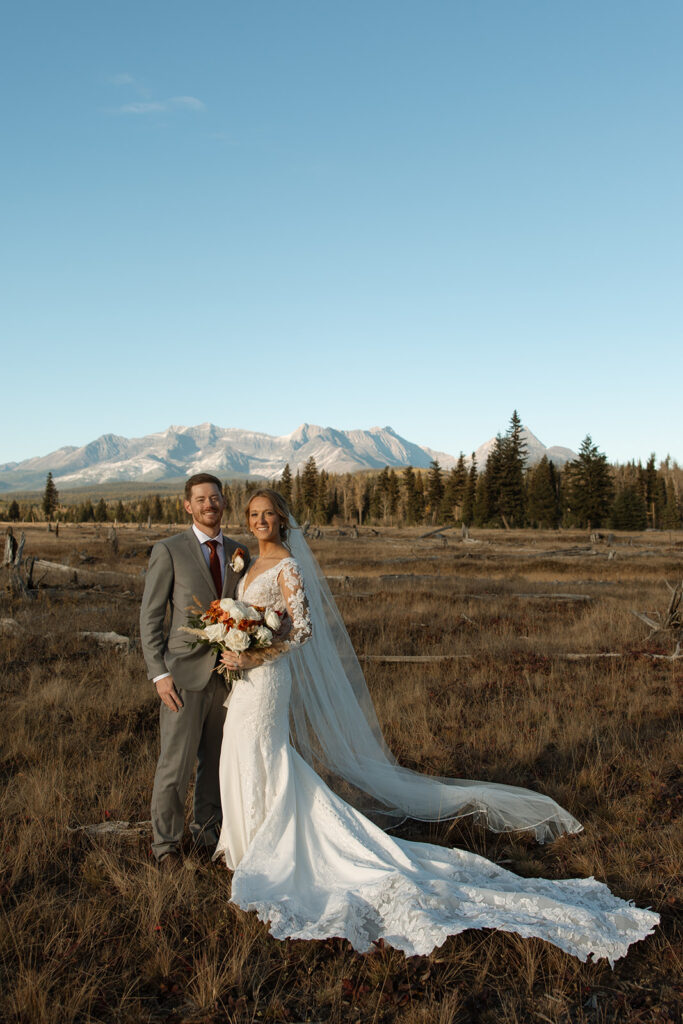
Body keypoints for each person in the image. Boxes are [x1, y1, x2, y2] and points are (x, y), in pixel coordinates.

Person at [213, 489, 658, 962]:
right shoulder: (245, 563)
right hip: (245, 678)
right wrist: (232, 639)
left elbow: (301, 631)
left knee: (266, 751)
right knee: (237, 749)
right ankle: (244, 842)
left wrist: (255, 653)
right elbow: (247, 617)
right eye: (254, 515)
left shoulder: (288, 566)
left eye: (268, 514)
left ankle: (270, 845)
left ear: (282, 520)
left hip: (268, 678)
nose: (260, 520)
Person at [140, 473, 249, 869]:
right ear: (188, 505)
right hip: (182, 679)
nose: (209, 504)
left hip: (229, 677)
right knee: (175, 764)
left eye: (215, 498)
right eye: (201, 499)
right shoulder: (169, 551)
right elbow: (150, 618)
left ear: (224, 502)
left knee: (218, 763)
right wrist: (159, 674)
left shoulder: (239, 552)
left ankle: (208, 833)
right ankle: (165, 845)